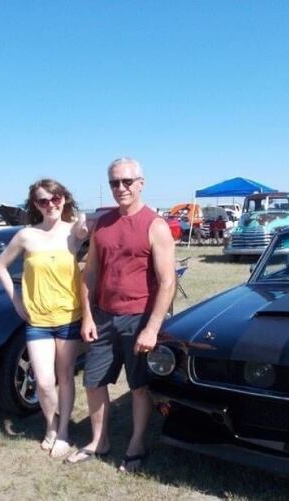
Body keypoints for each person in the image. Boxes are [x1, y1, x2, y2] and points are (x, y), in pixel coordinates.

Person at [66, 157, 175, 472]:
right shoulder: (103, 224)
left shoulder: (155, 225)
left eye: (127, 181)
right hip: (103, 316)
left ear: (141, 183)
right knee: (93, 381)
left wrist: (152, 328)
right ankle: (99, 441)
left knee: (139, 385)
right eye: (115, 182)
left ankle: (136, 444)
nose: (121, 188)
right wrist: (87, 317)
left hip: (139, 318)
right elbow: (90, 274)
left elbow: (168, 281)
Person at [0, 179, 88, 458]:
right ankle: (51, 424)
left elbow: (93, 224)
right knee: (44, 382)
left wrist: (83, 222)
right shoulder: (26, 235)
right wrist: (15, 298)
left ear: (64, 199)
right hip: (37, 320)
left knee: (65, 376)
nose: (51, 205)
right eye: (43, 201)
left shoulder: (74, 232)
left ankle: (63, 433)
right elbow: (0, 265)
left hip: (69, 316)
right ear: (35, 205)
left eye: (56, 198)